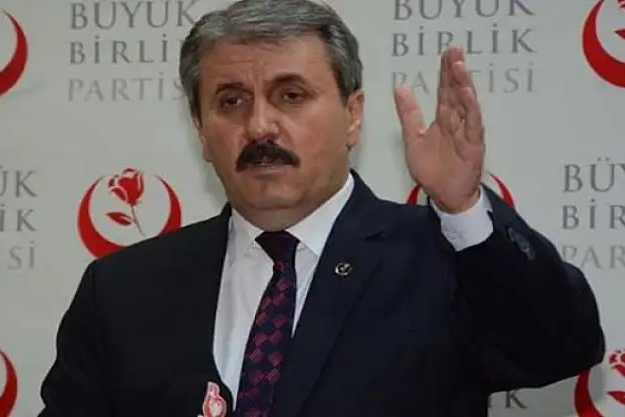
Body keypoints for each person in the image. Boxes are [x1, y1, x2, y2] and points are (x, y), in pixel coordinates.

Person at [37, 0, 605, 416]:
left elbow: (559, 347)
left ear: (353, 115)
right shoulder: (125, 290)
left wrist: (462, 207)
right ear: (201, 131)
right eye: (231, 101)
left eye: (291, 96)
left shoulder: (438, 257)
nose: (259, 126)